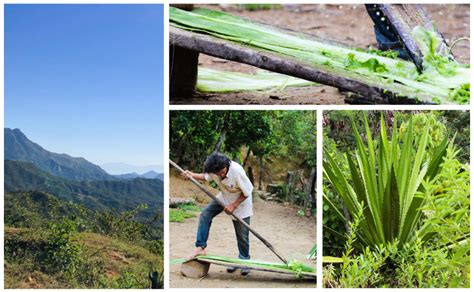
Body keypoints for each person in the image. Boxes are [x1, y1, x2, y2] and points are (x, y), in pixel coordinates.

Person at [181, 153, 254, 276]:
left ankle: (244, 260)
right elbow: (205, 177)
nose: (220, 175)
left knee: (242, 235)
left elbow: (247, 191)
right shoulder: (215, 170)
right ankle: (200, 247)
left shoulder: (237, 171)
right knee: (205, 214)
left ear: (226, 165)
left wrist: (234, 205)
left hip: (241, 203)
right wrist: (191, 175)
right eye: (217, 173)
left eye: (222, 172)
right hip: (224, 197)